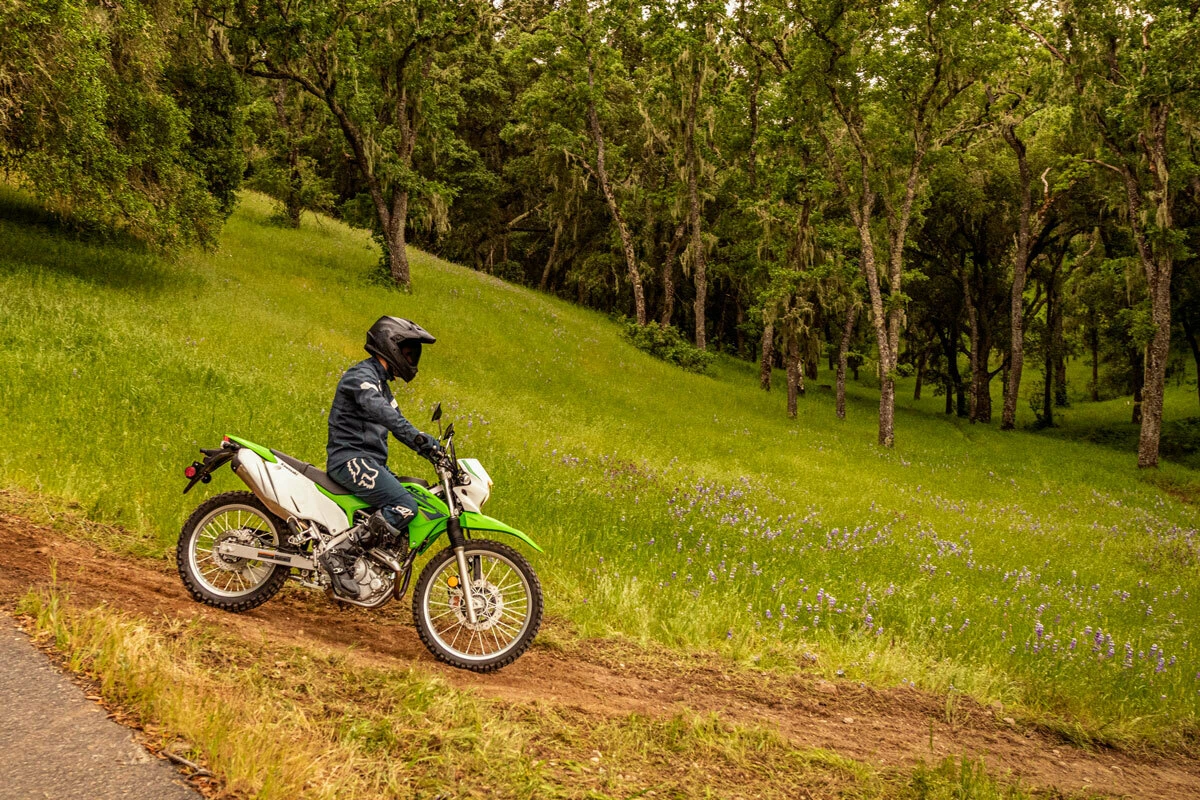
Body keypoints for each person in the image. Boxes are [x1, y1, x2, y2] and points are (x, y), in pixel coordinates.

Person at [322, 316, 446, 597]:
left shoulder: (382, 385)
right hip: (349, 459)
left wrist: (430, 449)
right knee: (404, 504)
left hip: (369, 462)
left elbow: (398, 423)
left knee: (415, 492)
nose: (411, 358)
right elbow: (383, 413)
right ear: (389, 345)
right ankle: (340, 557)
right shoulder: (361, 377)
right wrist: (419, 438)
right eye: (408, 351)